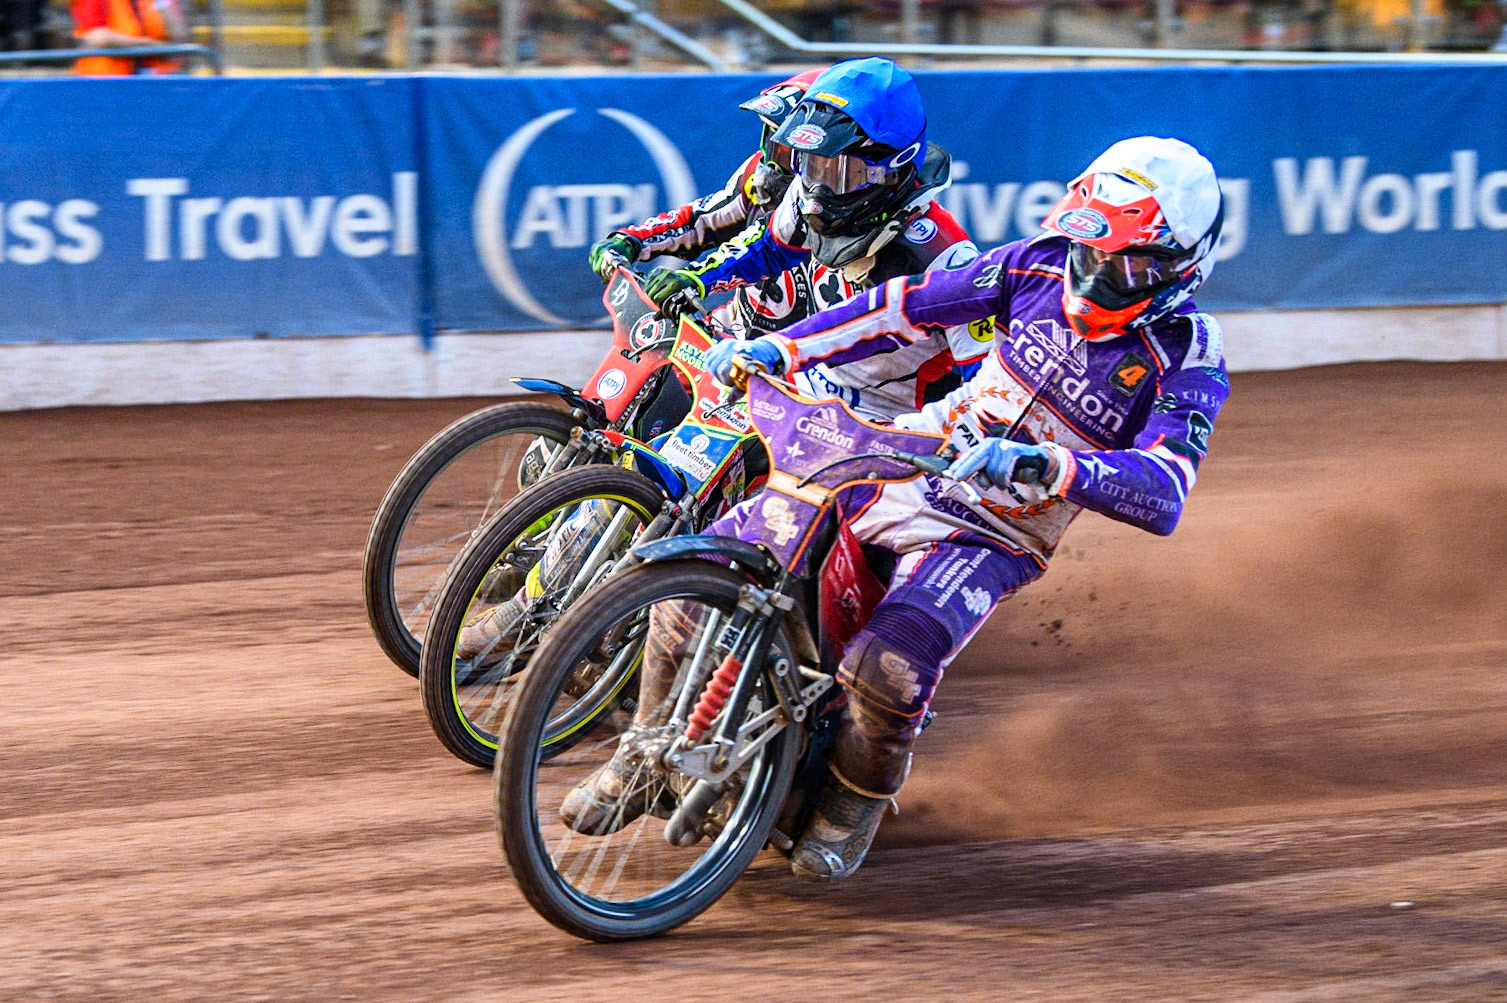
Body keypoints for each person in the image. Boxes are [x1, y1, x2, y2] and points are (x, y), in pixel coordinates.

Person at [564, 136, 1231, 885]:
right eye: (1091, 250)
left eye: (1125, 262)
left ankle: (853, 801)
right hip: (916, 448)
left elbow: (1165, 486)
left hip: (998, 525)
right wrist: (783, 349)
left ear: (1181, 264)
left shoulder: (1188, 353)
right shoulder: (1035, 262)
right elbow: (901, 308)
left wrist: (1052, 465)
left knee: (889, 663)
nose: (1098, 272)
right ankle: (640, 754)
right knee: (695, 572)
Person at [640, 57, 988, 420]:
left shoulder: (946, 262)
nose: (819, 192)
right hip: (807, 383)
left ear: (892, 167)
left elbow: (985, 379)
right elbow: (768, 248)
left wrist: (931, 436)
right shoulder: (809, 191)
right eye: (811, 164)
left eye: (843, 172)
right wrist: (698, 279)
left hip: (892, 421)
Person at [71, 0, 187, 75]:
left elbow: (179, 34)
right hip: (108, 84)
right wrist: (151, 46)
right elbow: (97, 37)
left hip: (153, 82)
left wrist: (163, 3)